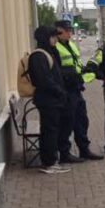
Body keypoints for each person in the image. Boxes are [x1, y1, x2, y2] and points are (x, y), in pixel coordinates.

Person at [54, 20, 103, 162]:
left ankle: (84, 149)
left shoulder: (70, 44)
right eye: (67, 31)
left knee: (81, 120)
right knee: (67, 122)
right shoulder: (54, 47)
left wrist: (85, 71)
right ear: (59, 31)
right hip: (65, 90)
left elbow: (76, 64)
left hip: (76, 89)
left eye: (70, 30)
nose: (70, 33)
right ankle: (64, 153)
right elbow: (57, 70)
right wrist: (72, 76)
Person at [26, 25, 70, 175]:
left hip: (53, 99)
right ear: (45, 38)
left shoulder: (48, 53)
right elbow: (43, 80)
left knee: (52, 129)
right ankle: (49, 162)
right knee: (49, 131)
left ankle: (51, 160)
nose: (55, 39)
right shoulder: (38, 56)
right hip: (48, 100)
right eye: (53, 36)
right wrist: (59, 91)